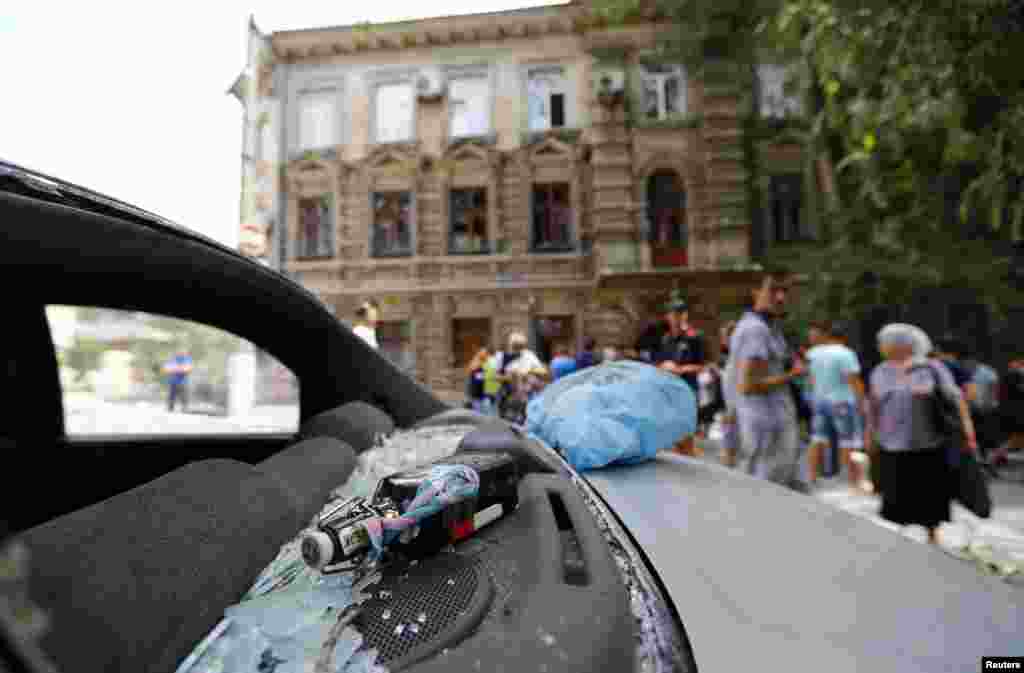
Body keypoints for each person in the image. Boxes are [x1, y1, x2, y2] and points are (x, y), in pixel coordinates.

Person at [865, 324, 978, 544]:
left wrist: (968, 432)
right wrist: (869, 434)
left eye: (885, 342)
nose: (881, 347)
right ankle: (901, 536)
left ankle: (931, 535)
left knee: (930, 493)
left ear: (902, 345)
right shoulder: (880, 371)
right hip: (891, 443)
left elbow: (956, 401)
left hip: (929, 442)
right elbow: (873, 405)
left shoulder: (932, 368)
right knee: (897, 493)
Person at [731, 268, 805, 488]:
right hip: (766, 434)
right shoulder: (756, 330)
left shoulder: (766, 327)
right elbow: (748, 385)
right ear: (755, 292)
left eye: (785, 291)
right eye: (773, 290)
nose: (781, 297)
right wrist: (793, 374)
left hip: (770, 432)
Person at [805, 321, 867, 490]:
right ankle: (846, 479)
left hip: (819, 401)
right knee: (846, 441)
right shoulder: (846, 354)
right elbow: (852, 380)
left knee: (817, 438)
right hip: (842, 402)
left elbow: (810, 380)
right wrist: (862, 402)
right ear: (844, 338)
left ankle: (812, 476)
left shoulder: (814, 353)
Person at [495, 332, 544, 422]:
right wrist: (510, 377)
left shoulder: (529, 355)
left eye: (520, 346)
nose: (518, 349)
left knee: (524, 420)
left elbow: (542, 371)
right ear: (509, 344)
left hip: (526, 395)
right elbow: (496, 377)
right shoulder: (501, 356)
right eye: (515, 346)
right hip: (508, 395)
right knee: (508, 421)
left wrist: (528, 372)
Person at [465, 347, 493, 414]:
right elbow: (474, 379)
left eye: (486, 353)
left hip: (485, 394)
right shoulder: (475, 366)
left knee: (486, 412)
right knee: (478, 413)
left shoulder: (488, 364)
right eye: (484, 353)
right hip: (477, 395)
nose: (486, 355)